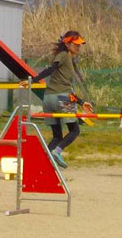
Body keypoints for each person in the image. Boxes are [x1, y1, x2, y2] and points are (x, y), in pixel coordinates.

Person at [19, 31, 93, 169]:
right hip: (62, 98)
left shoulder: (66, 58)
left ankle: (41, 164)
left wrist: (81, 102)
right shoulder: (64, 55)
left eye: (80, 45)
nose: (78, 47)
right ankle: (57, 152)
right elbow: (50, 70)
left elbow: (66, 90)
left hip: (48, 99)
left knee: (57, 136)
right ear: (67, 44)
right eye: (76, 44)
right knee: (75, 131)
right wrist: (33, 80)